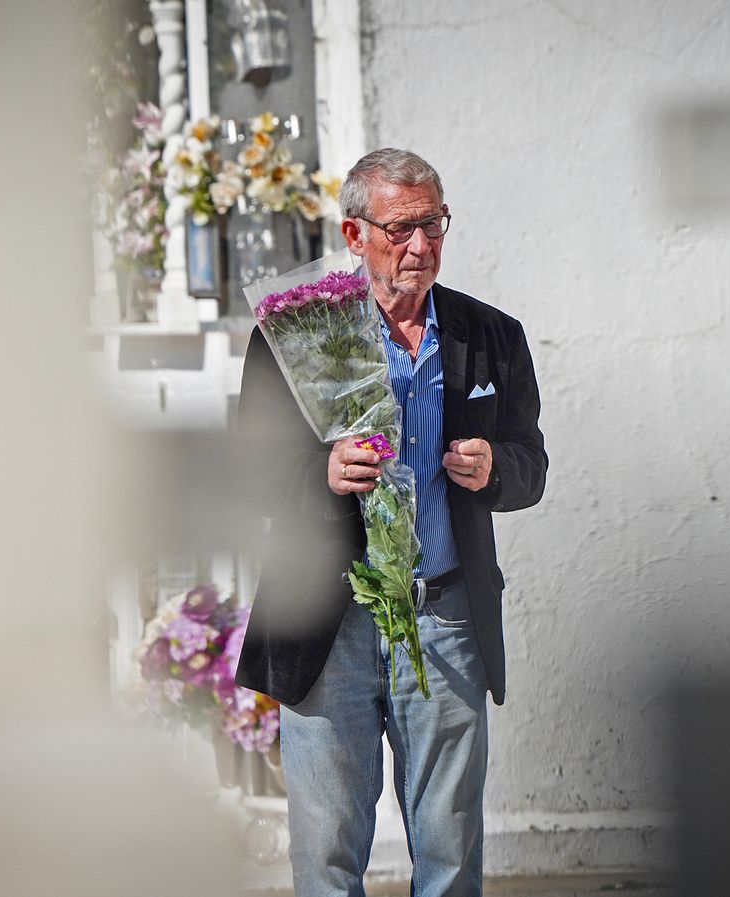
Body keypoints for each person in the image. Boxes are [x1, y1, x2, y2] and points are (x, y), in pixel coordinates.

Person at [235, 147, 548, 897]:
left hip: (442, 618)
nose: (421, 246)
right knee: (328, 854)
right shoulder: (296, 336)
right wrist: (322, 474)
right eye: (402, 228)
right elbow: (251, 473)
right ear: (354, 233)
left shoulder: (491, 336)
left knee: (449, 852)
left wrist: (494, 467)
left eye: (434, 225)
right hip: (327, 621)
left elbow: (530, 464)